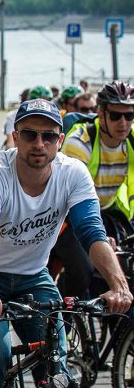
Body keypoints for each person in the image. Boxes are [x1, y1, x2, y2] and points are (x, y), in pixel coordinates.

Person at [0, 98, 131, 387]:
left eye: (48, 136)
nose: (39, 143)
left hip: (33, 277)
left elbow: (91, 231)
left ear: (59, 140)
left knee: (56, 357)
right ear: (15, 137)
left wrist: (119, 287)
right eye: (29, 134)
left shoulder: (73, 173)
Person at [59, 82, 134, 298]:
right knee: (83, 269)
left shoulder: (131, 138)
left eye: (129, 116)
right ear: (101, 114)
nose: (123, 123)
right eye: (116, 116)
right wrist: (100, 235)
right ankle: (70, 318)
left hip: (109, 211)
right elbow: (75, 200)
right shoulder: (80, 143)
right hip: (70, 214)